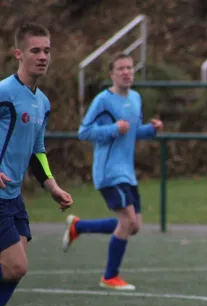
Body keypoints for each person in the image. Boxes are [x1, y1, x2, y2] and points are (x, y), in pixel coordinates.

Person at [0, 23, 73, 306]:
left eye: (47, 50)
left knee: (16, 264)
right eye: (35, 50)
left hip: (13, 196)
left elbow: (37, 150)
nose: (43, 56)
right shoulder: (4, 92)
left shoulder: (42, 102)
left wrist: (53, 187)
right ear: (19, 54)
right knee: (16, 266)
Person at [62, 53, 163, 291]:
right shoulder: (103, 101)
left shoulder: (136, 98)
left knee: (133, 225)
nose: (127, 72)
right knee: (126, 222)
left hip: (127, 172)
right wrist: (113, 129)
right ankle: (110, 276)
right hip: (108, 172)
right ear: (112, 74)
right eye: (121, 69)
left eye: (130, 68)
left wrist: (151, 130)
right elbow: (84, 132)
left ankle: (79, 226)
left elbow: (133, 130)